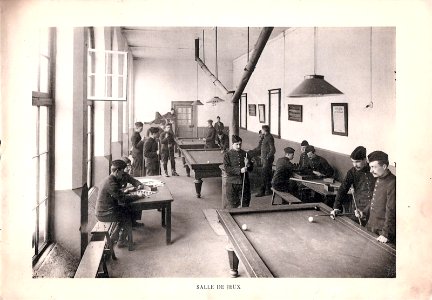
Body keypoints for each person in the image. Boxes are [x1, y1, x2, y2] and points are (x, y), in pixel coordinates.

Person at [95, 160, 142, 248]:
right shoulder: (111, 182)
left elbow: (118, 194)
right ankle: (122, 241)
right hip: (104, 213)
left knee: (127, 211)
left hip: (105, 210)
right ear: (117, 171)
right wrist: (138, 196)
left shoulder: (110, 179)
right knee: (127, 216)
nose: (123, 174)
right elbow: (123, 199)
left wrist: (125, 191)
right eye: (122, 171)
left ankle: (116, 237)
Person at [330, 146, 376, 225]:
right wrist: (336, 207)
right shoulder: (352, 172)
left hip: (374, 209)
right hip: (358, 209)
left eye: (357, 161)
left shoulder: (374, 170)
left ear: (365, 160)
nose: (354, 165)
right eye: (352, 161)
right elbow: (342, 189)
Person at [362, 151, 396, 243]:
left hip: (382, 232)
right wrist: (364, 212)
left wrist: (386, 234)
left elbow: (391, 210)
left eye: (373, 167)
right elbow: (375, 199)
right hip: (371, 226)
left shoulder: (392, 182)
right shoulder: (379, 178)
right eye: (370, 167)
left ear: (384, 166)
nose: (370, 170)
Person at [223, 135, 253, 208]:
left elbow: (251, 168)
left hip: (244, 182)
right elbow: (227, 169)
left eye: (240, 144)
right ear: (232, 144)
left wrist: (248, 164)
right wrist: (240, 170)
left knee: (245, 204)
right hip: (232, 183)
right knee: (233, 204)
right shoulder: (227, 154)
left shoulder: (245, 154)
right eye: (237, 144)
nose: (239, 146)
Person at [120, 156, 145, 227]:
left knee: (137, 200)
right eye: (127, 167)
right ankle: (130, 223)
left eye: (130, 166)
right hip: (117, 200)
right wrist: (126, 190)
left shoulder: (125, 175)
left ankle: (133, 221)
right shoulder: (117, 176)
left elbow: (134, 181)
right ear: (121, 167)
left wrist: (139, 185)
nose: (129, 169)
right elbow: (117, 192)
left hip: (122, 195)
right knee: (135, 200)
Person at [255, 125, 275, 197]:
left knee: (264, 175)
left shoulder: (269, 137)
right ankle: (268, 190)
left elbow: (273, 149)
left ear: (264, 130)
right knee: (267, 175)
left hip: (267, 160)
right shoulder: (266, 137)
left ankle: (262, 191)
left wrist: (267, 157)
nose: (261, 131)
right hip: (264, 160)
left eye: (262, 130)